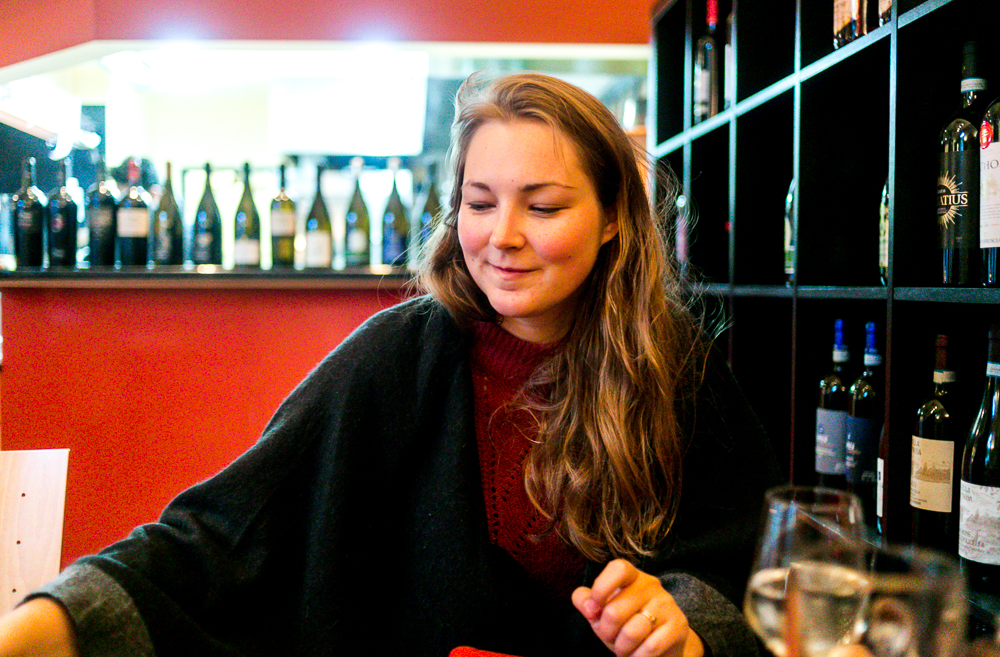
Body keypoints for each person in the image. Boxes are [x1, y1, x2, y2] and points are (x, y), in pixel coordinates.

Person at [0, 72, 782, 657]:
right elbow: (218, 539)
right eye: (479, 202)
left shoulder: (678, 371)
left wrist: (681, 622)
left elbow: (750, 572)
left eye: (542, 207)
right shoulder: (394, 358)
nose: (502, 235)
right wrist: (53, 619)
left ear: (615, 219)